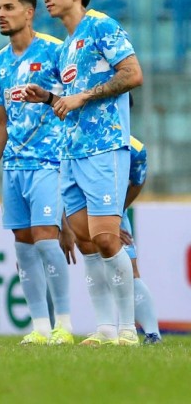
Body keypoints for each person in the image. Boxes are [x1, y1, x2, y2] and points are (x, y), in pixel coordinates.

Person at [24, 0, 144, 346]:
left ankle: (128, 330)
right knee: (86, 241)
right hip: (71, 152)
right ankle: (105, 327)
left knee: (107, 238)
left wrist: (83, 96)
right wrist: (49, 98)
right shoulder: (66, 47)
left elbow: (132, 73)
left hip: (104, 147)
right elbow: (69, 103)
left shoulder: (101, 26)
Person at [0, 0, 74, 346]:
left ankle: (64, 324)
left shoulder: (54, 51)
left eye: (9, 7)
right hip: (14, 166)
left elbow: (75, 102)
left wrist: (51, 100)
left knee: (46, 238)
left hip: (50, 160)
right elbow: (1, 121)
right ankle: (39, 326)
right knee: (22, 243)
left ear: (29, 12)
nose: (1, 13)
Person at [59, 135, 162, 345]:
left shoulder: (133, 147)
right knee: (89, 250)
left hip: (109, 206)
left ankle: (151, 333)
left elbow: (137, 181)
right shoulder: (66, 137)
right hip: (81, 209)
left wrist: (118, 211)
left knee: (130, 269)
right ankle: (106, 329)